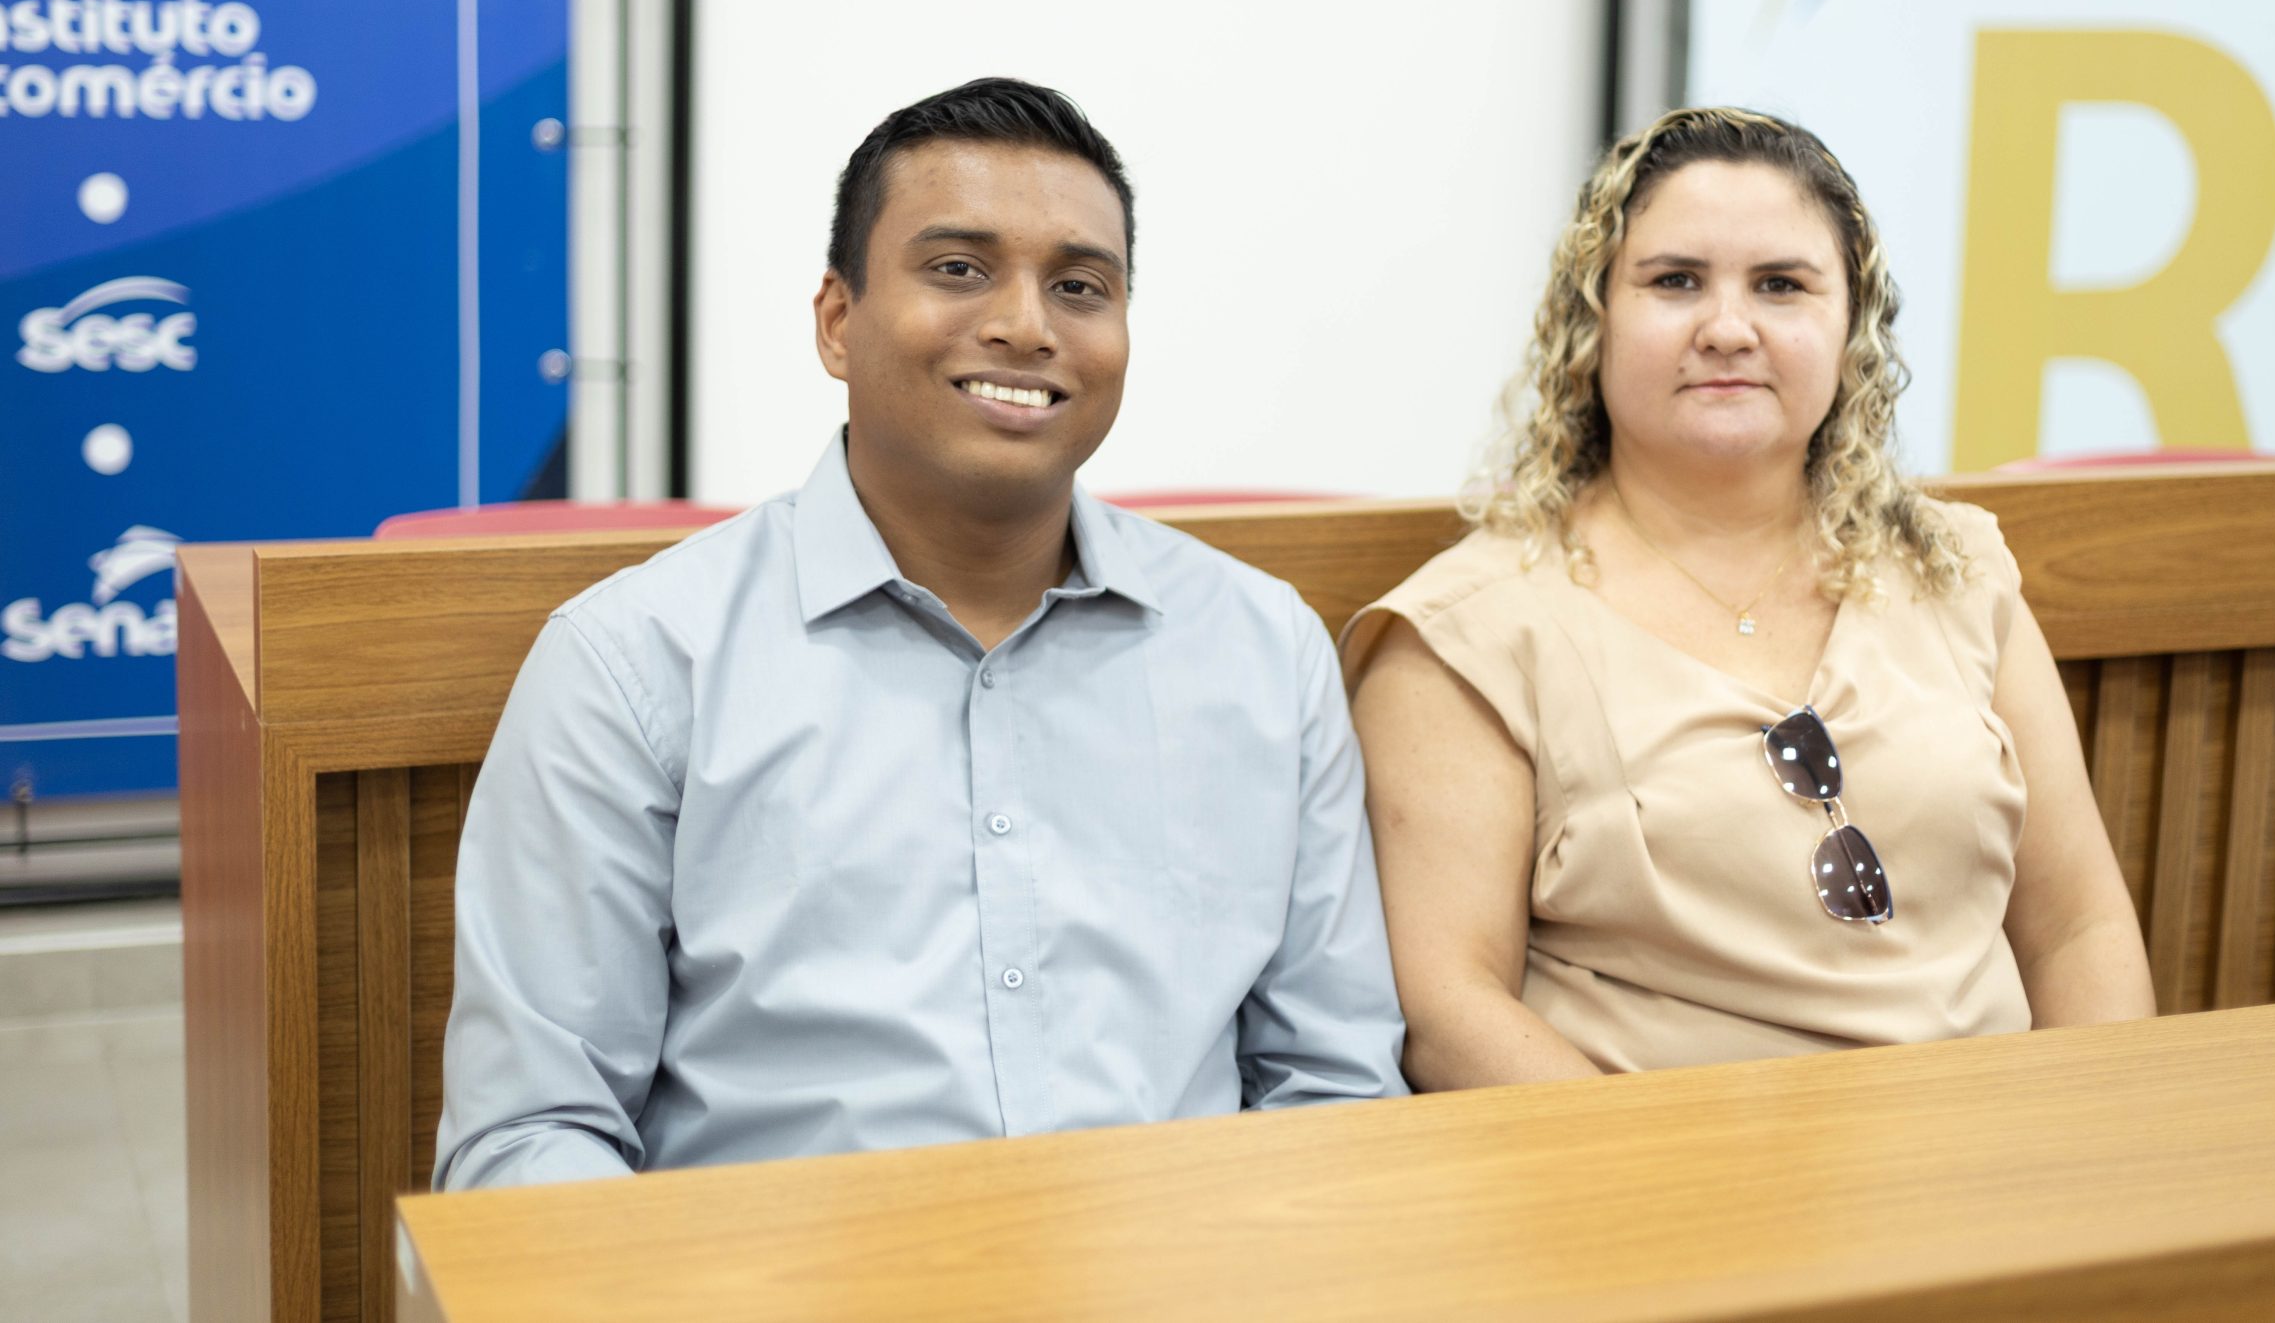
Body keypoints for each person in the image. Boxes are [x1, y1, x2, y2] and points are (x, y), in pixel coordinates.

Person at [436, 78, 1406, 1189]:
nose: (1026, 325)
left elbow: (1335, 1087)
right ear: (837, 322)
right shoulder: (638, 663)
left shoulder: (1264, 651)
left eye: (1080, 286)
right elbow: (531, 1136)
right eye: (957, 269)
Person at [1345, 107, 2152, 1088]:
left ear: (1852, 327)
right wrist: (1667, 1174)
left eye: (1781, 285)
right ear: (1591, 323)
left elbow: (2078, 929)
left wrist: (2095, 1139)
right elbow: (1447, 1008)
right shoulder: (1464, 633)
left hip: (1993, 1146)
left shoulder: (1955, 567)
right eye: (1674, 281)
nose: (1728, 329)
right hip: (1661, 1165)